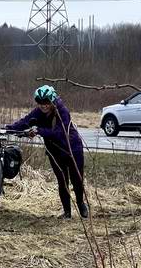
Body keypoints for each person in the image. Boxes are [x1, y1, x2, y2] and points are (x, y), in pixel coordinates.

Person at [6, 85, 88, 219]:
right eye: (40, 102)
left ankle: (81, 204)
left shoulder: (62, 111)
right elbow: (25, 121)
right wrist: (9, 129)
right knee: (62, 181)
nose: (43, 106)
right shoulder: (38, 112)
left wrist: (39, 130)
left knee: (77, 180)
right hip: (54, 152)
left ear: (52, 100)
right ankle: (67, 212)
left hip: (72, 149)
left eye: (46, 102)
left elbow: (60, 133)